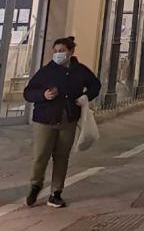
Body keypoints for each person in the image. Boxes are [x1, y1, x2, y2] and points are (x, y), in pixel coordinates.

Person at [22, 36, 101, 208]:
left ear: (71, 52)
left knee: (61, 157)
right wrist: (43, 95)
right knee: (41, 155)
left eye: (62, 51)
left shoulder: (80, 70)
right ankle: (36, 184)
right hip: (45, 119)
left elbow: (95, 85)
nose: (58, 54)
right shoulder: (46, 71)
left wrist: (86, 97)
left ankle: (56, 192)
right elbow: (28, 92)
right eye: (56, 51)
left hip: (68, 119)